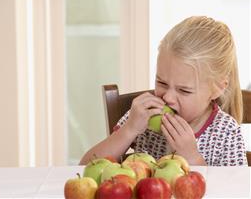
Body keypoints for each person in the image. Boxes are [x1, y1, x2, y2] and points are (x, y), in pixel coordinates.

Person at [79, 16, 247, 166]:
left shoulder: (226, 132)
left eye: (183, 90)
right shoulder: (144, 116)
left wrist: (192, 158)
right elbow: (85, 166)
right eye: (161, 82)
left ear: (218, 88)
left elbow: (237, 191)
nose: (168, 97)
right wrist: (129, 129)